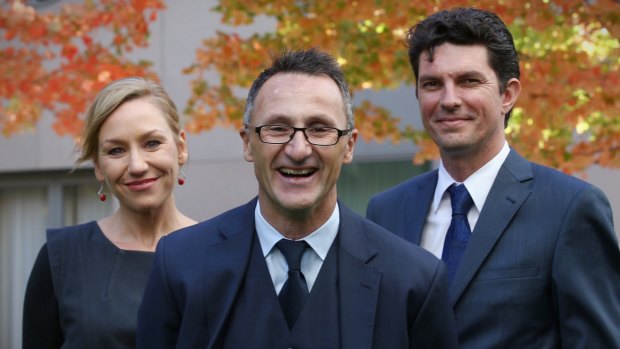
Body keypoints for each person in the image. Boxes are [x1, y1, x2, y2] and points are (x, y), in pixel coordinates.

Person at [136, 48, 457, 348]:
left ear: (349, 146)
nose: (299, 149)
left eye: (319, 129)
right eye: (277, 128)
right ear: (248, 143)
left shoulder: (414, 281)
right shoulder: (180, 264)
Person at [366, 7, 620, 348]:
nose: (449, 99)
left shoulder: (569, 209)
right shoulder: (386, 212)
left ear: (507, 95)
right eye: (432, 84)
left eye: (468, 81)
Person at [22, 77, 197, 349]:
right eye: (116, 150)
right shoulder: (62, 258)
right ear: (99, 167)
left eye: (151, 143)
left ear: (181, 148)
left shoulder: (222, 254)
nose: (137, 165)